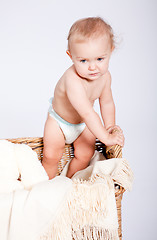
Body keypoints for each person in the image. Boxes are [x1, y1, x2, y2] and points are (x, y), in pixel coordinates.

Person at [42, 17, 125, 179]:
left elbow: (106, 103)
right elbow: (87, 112)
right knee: (51, 156)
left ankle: (68, 183)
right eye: (84, 60)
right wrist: (105, 137)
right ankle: (47, 186)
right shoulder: (72, 80)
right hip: (59, 122)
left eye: (100, 59)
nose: (93, 67)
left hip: (83, 124)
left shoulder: (105, 77)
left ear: (111, 51)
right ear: (71, 56)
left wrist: (110, 127)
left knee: (85, 154)